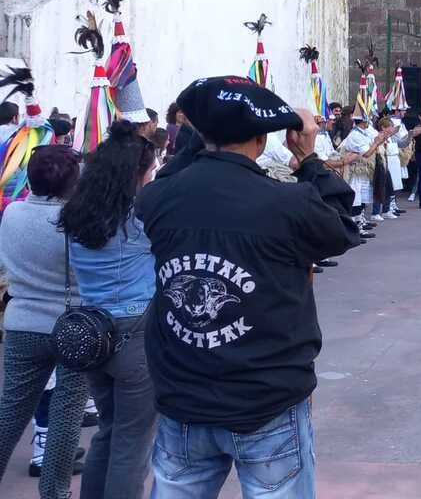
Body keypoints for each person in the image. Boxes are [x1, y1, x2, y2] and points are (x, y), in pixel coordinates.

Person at [136, 76, 359, 498]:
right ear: (261, 139)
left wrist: (201, 136)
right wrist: (308, 158)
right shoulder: (287, 203)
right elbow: (343, 227)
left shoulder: (160, 197)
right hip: (266, 397)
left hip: (184, 393)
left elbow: (173, 172)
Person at [58, 121, 159, 498]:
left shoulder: (77, 216)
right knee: (132, 443)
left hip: (92, 330)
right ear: (136, 174)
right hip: (135, 331)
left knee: (109, 429)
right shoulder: (140, 219)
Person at [0, 145, 89, 497]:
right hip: (72, 326)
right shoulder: (76, 219)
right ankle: (54, 492)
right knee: (67, 415)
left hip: (21, 322)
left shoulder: (12, 213)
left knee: (10, 412)